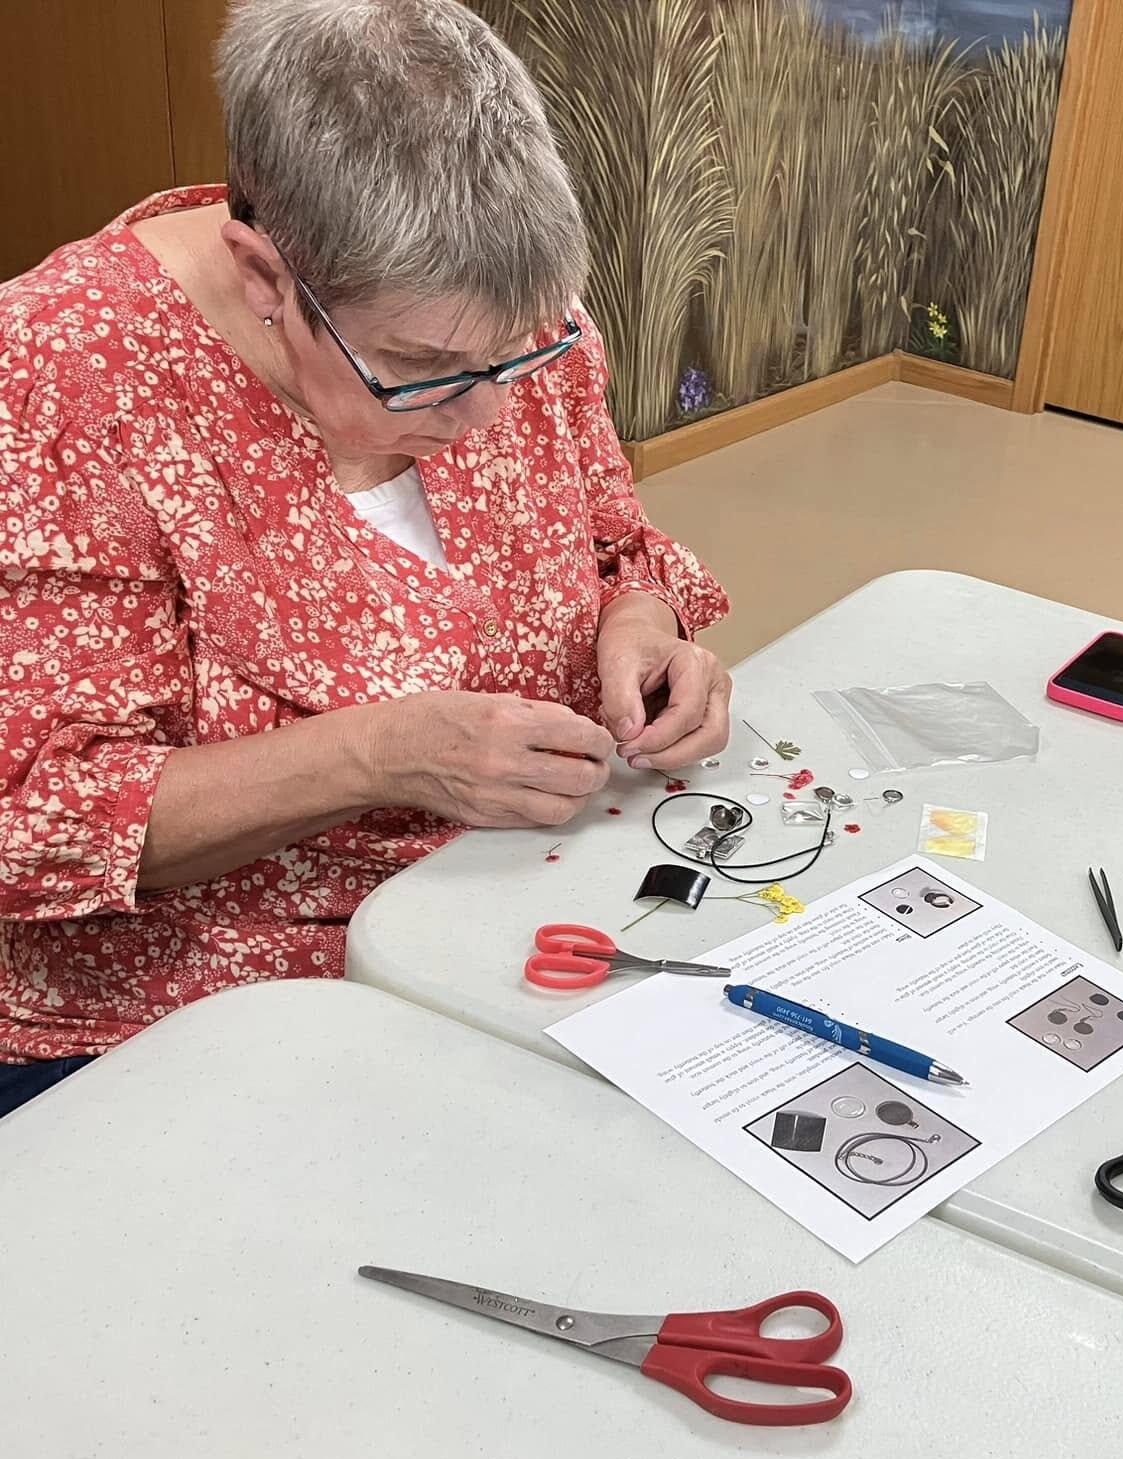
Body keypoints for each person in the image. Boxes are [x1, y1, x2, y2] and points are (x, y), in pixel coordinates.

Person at [0, 0, 731, 1113]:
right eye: (421, 367)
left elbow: (609, 542)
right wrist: (373, 757)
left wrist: (643, 627)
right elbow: (35, 822)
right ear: (261, 274)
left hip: (513, 904)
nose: (488, 409)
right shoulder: (60, 381)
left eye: (520, 355)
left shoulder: (499, 315)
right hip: (200, 1009)